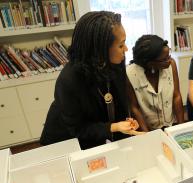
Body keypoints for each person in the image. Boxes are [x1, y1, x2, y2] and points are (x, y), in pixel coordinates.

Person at [40, 11, 147, 150]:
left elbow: (120, 100)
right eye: (121, 45)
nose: (125, 49)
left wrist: (126, 124)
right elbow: (78, 129)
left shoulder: (116, 60)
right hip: (67, 140)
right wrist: (113, 127)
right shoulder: (69, 80)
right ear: (99, 50)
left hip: (96, 131)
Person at [126, 35, 184, 130]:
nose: (169, 60)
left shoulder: (171, 65)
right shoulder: (130, 74)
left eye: (169, 56)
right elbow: (134, 107)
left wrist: (182, 127)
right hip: (147, 127)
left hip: (170, 124)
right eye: (164, 59)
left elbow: (176, 96)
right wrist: (147, 135)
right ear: (150, 63)